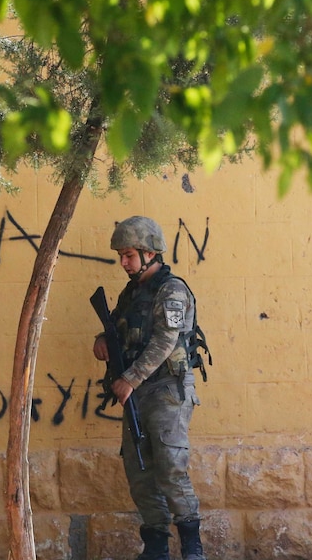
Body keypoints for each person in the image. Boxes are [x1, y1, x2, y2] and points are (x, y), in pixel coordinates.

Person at [92, 216, 206, 560]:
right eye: (122, 256)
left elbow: (164, 341)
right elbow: (120, 326)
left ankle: (192, 547)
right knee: (140, 472)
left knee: (171, 467)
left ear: (149, 253)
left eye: (128, 255)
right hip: (137, 392)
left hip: (166, 389)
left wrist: (129, 378)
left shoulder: (171, 290)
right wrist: (102, 340)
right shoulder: (132, 292)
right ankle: (156, 547)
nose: (123, 263)